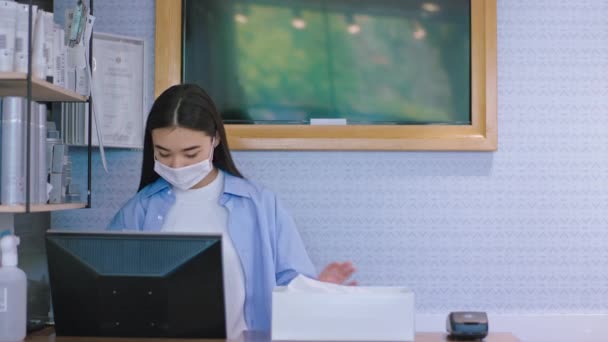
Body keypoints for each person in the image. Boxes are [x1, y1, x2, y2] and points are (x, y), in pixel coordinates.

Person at [108, 84, 356, 337]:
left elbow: (291, 284)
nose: (177, 165)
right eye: (163, 153)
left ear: (215, 139)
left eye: (190, 153)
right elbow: (111, 292)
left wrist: (316, 292)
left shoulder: (260, 205)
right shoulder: (138, 210)